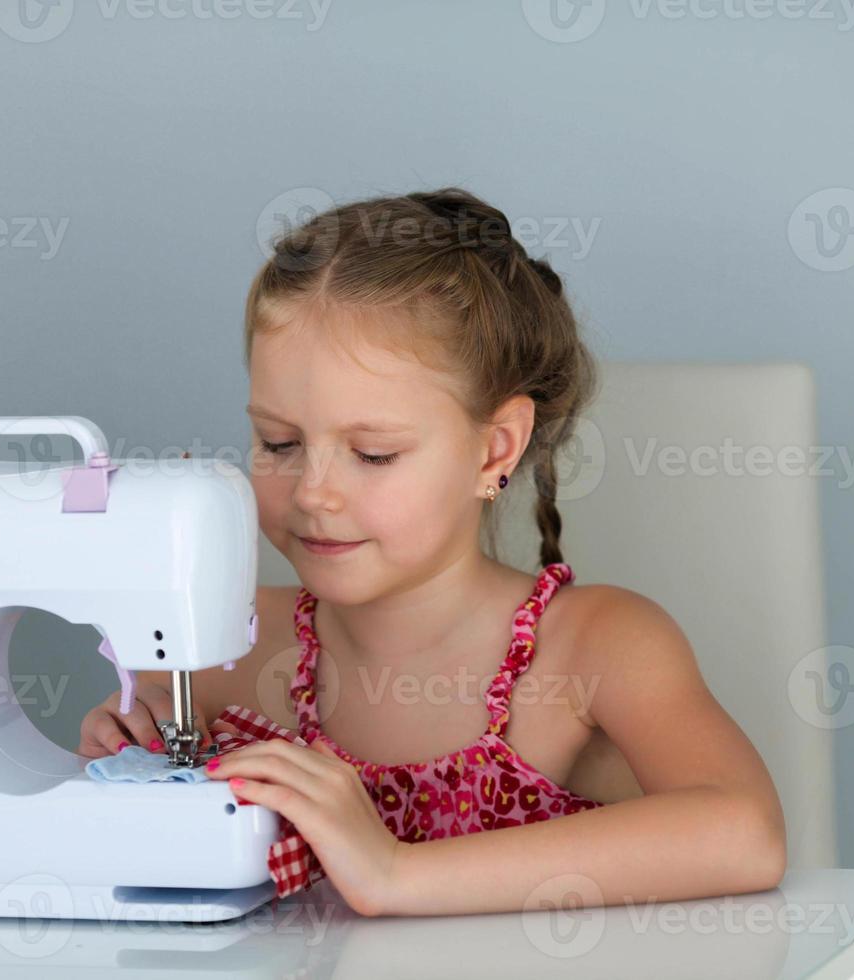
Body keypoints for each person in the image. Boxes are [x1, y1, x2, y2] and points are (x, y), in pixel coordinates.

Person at [79, 187, 785, 917]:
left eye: (373, 454)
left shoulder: (595, 647)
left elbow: (744, 831)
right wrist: (131, 741)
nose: (314, 493)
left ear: (494, 449)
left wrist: (395, 872)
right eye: (278, 443)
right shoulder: (226, 648)